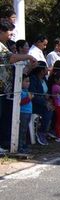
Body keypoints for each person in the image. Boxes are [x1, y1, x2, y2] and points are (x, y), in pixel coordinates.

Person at [0, 20, 37, 150]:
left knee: (5, 118)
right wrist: (27, 56)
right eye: (9, 31)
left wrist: (29, 64)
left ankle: (5, 143)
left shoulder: (4, 45)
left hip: (7, 89)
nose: (11, 34)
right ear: (2, 31)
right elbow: (10, 58)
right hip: (1, 89)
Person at [29, 61, 53, 145]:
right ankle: (41, 132)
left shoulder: (44, 79)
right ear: (42, 71)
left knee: (55, 107)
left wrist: (48, 99)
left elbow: (47, 91)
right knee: (48, 110)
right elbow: (33, 95)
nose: (48, 69)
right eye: (46, 68)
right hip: (34, 104)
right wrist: (45, 103)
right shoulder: (33, 79)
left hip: (44, 102)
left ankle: (50, 130)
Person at [18, 74, 33, 154]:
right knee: (22, 130)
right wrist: (29, 98)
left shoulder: (26, 91)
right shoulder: (20, 92)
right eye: (26, 81)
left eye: (29, 81)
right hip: (23, 113)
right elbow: (20, 102)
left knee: (25, 130)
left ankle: (23, 144)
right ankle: (20, 146)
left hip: (28, 112)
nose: (28, 83)